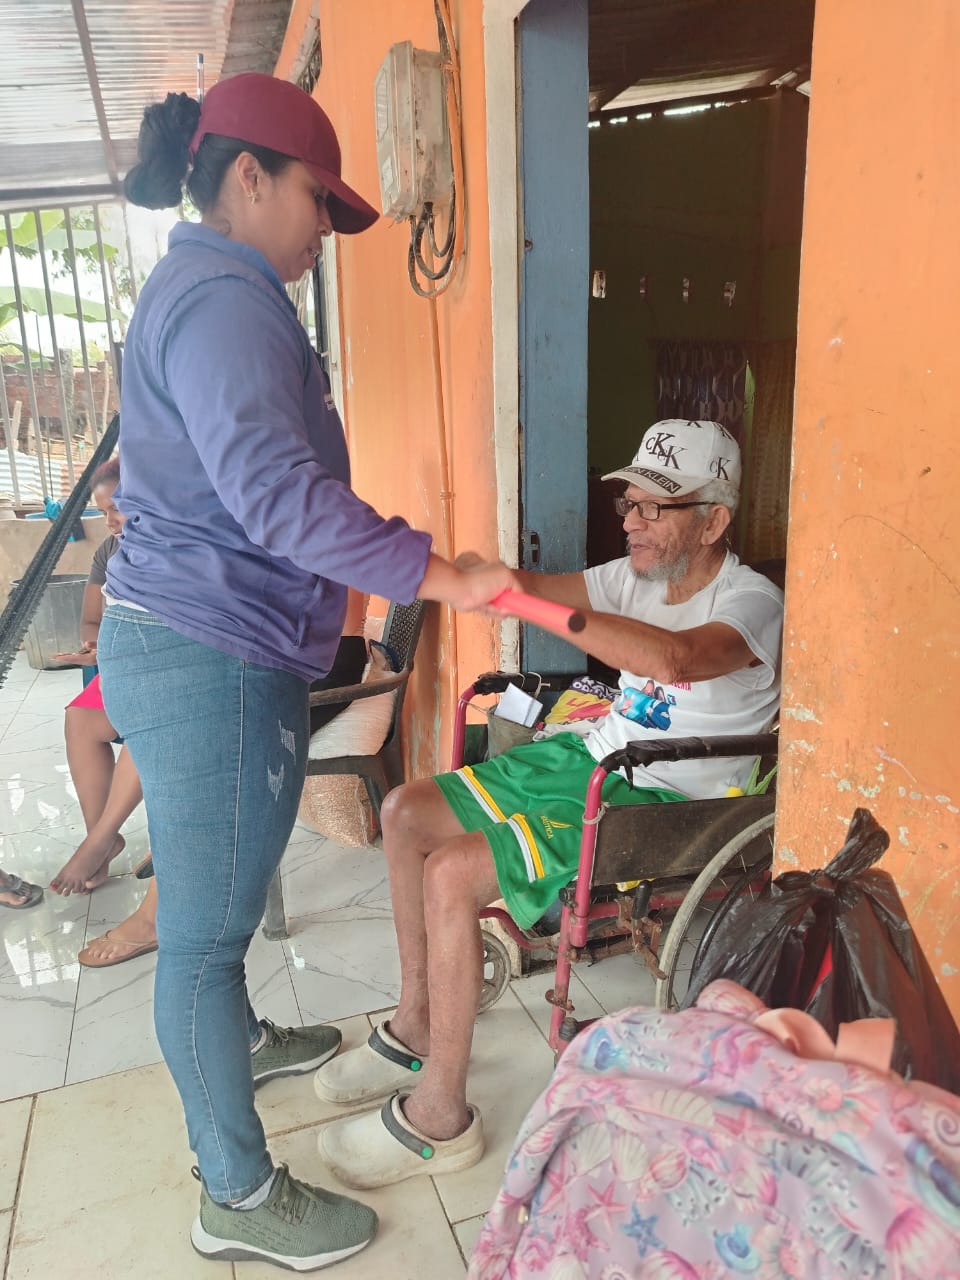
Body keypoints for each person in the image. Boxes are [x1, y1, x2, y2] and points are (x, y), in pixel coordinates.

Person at [96, 73, 515, 1272]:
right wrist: (441, 572)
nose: (323, 230)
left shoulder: (194, 288)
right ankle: (235, 1192)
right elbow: (278, 498)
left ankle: (241, 1040)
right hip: (210, 654)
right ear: (249, 177)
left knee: (212, 916)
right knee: (202, 942)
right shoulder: (225, 298)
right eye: (317, 200)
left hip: (187, 638)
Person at [312, 418, 785, 1191]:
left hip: (667, 793)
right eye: (630, 502)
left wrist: (524, 604)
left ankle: (440, 1117)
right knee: (403, 812)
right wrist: (479, 578)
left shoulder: (753, 601)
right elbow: (526, 587)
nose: (630, 521)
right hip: (598, 755)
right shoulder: (634, 576)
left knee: (453, 873)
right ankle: (416, 1019)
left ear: (714, 521)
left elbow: (676, 658)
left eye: (655, 506)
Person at [49, 457, 147, 896]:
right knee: (80, 718)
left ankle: (99, 838)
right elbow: (91, 620)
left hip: (166, 674)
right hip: (124, 664)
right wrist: (98, 646)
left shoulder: (173, 549)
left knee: (150, 719)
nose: (109, 521)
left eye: (117, 508)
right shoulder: (108, 551)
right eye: (102, 510)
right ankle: (103, 840)